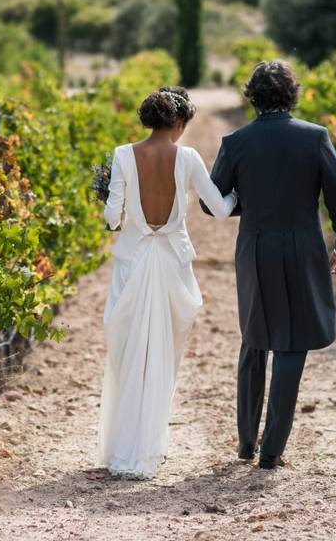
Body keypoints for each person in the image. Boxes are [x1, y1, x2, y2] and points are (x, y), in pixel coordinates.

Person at [201, 61, 336, 469]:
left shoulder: (236, 142)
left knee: (254, 340)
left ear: (252, 96)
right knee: (292, 345)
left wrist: (246, 203)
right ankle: (272, 451)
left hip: (255, 248)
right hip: (303, 249)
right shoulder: (315, 137)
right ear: (292, 94)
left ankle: (245, 442)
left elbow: (210, 201)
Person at [97, 87, 237, 479]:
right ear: (178, 123)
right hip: (173, 263)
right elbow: (222, 209)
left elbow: (112, 217)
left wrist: (113, 206)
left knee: (129, 356)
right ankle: (150, 447)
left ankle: (124, 448)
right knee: (163, 356)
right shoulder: (188, 157)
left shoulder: (123, 155)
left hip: (135, 262)